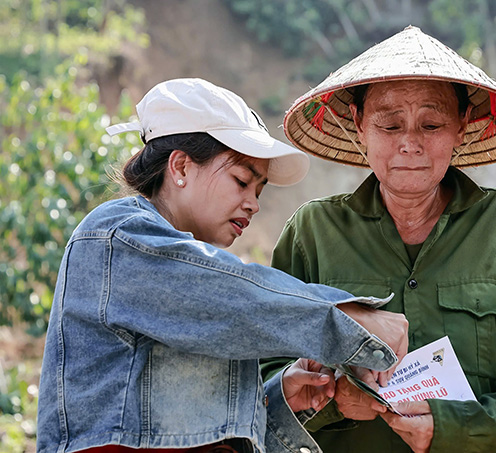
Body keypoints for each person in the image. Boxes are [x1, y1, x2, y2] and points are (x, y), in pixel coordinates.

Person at [36, 78, 410, 453]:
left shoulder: (198, 278)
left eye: (259, 191)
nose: (253, 204)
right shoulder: (119, 236)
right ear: (181, 166)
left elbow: (187, 423)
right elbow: (233, 297)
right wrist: (350, 317)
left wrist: (276, 399)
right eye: (241, 181)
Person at [262, 26, 496, 453]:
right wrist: (334, 396)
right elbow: (267, 368)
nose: (410, 144)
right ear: (359, 126)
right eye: (390, 125)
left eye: (431, 124)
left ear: (462, 126)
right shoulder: (313, 233)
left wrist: (453, 428)